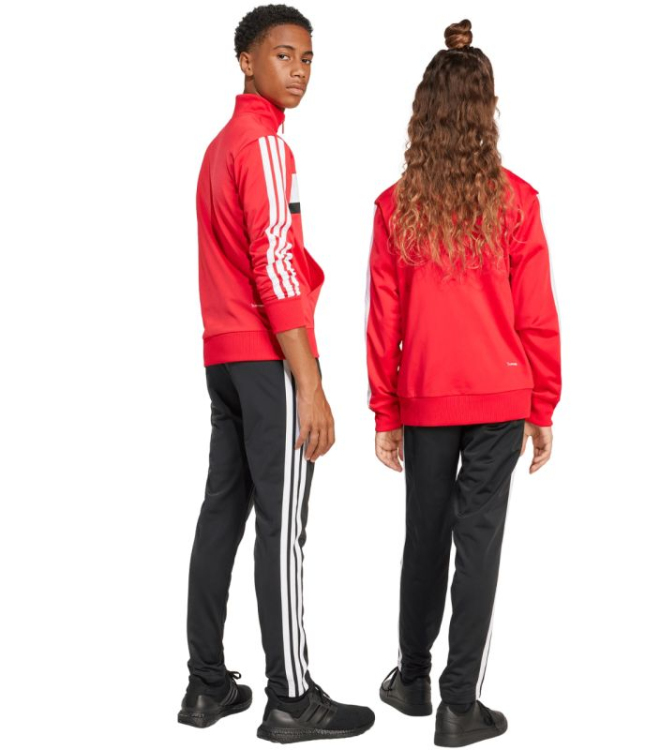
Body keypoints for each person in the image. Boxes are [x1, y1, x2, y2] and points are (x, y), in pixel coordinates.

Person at [179, 5, 374, 742]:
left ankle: (206, 686)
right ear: (246, 61)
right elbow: (273, 263)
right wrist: (311, 384)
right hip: (267, 360)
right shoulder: (262, 144)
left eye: (308, 59)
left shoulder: (219, 146)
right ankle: (291, 698)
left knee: (221, 515)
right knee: (282, 528)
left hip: (223, 356)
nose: (298, 71)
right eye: (284, 56)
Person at [365, 19, 562, 747]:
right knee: (478, 542)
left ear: (424, 110)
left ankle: (412, 678)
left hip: (424, 395)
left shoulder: (396, 207)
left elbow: (383, 320)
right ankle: (458, 705)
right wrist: (542, 404)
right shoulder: (517, 202)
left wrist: (386, 409)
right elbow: (536, 315)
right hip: (501, 395)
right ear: (488, 109)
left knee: (425, 533)